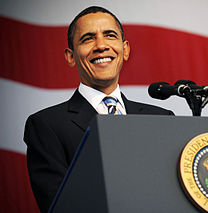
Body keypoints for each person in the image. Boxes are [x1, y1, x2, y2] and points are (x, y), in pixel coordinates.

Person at [24, 6, 173, 213]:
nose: (101, 46)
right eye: (88, 39)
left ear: (125, 49)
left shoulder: (162, 119)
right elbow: (58, 206)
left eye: (110, 36)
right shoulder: (46, 126)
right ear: (70, 56)